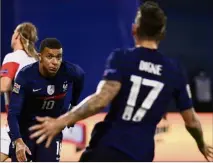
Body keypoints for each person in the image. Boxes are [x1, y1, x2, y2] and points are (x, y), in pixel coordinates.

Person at [29, 1, 213, 162]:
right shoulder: (174, 70)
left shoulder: (122, 58)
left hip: (107, 147)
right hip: (141, 154)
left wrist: (61, 122)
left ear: (134, 29)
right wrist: (201, 144)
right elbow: (191, 121)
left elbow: (101, 100)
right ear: (162, 34)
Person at [7, 38, 85, 162]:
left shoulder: (69, 71)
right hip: (26, 129)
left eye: (59, 57)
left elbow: (81, 77)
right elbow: (13, 112)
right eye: (49, 57)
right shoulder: (25, 75)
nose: (55, 62)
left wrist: (73, 105)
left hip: (52, 129)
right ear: (40, 57)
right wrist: (18, 141)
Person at [0, 22, 38, 162]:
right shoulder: (35, 59)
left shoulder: (13, 57)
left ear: (17, 36)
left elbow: (4, 86)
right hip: (32, 125)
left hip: (17, 126)